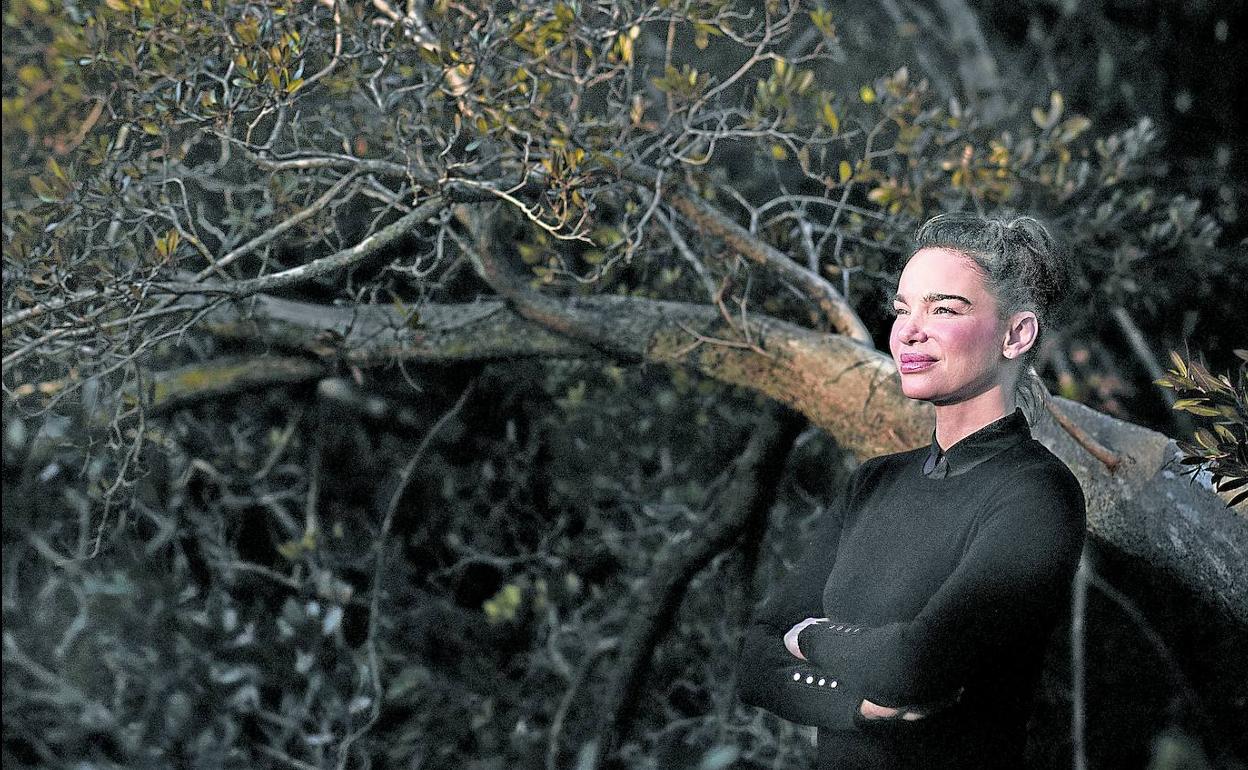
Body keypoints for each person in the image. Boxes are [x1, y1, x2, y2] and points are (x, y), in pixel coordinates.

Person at [737, 212, 1087, 768]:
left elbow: (914, 667)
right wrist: (857, 704)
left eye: (943, 309)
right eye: (903, 308)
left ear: (1017, 334)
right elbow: (754, 662)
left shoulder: (1038, 496)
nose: (909, 330)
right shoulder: (875, 482)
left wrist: (809, 637)